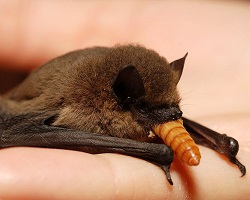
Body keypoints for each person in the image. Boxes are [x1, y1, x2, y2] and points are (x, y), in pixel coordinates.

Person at [0, 1, 249, 199]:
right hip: (22, 116)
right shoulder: (87, 108)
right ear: (123, 96)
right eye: (150, 111)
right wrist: (157, 151)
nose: (172, 118)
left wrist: (217, 142)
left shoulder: (137, 99)